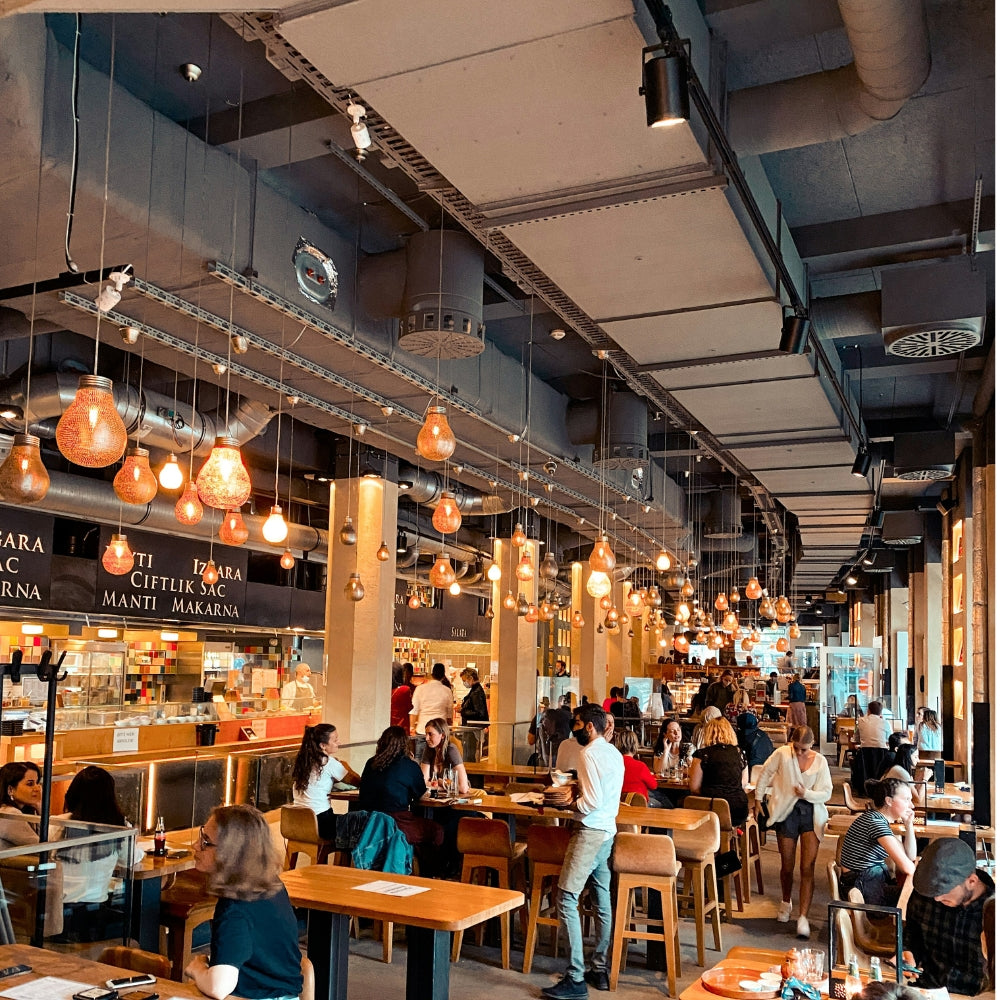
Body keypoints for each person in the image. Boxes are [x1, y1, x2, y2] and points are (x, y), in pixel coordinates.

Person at [542, 703, 624, 999]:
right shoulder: (614, 753)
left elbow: (591, 802)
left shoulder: (588, 754)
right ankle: (599, 968)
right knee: (601, 897)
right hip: (608, 831)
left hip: (589, 830)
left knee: (566, 896)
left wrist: (568, 803)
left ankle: (575, 976)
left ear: (589, 726)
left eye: (576, 724)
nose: (573, 729)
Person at [185, 804, 303, 1000]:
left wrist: (197, 969)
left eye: (206, 841)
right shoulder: (270, 885)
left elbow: (218, 987)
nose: (195, 845)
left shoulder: (235, 908)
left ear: (231, 853)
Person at [754, 725, 832, 940]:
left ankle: (803, 916)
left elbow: (826, 793)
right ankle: (786, 901)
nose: (798, 752)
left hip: (812, 813)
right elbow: (765, 772)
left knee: (807, 867)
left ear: (812, 745)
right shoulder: (782, 754)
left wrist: (806, 793)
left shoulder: (821, 761)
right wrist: (758, 798)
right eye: (795, 747)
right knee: (787, 865)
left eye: (803, 749)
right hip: (786, 813)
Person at [904, 838, 994, 996]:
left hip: (974, 995)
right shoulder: (926, 893)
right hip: (928, 989)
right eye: (934, 892)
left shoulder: (992, 913)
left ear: (972, 881)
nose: (937, 898)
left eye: (944, 890)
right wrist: (908, 953)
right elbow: (913, 933)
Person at [56, 765, 144, 904]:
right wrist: (136, 844)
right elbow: (129, 859)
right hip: (94, 904)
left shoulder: (57, 823)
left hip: (56, 905)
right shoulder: (118, 827)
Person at [358, 726, 444, 858]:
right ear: (405, 745)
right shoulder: (409, 766)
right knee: (436, 830)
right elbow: (420, 795)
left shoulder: (370, 763)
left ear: (382, 742)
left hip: (368, 824)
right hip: (396, 823)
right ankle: (424, 868)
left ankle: (402, 858)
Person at [838, 777, 917, 905]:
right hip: (862, 888)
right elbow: (908, 868)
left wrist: (909, 825)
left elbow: (910, 856)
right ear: (889, 801)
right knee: (916, 900)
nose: (911, 806)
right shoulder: (876, 824)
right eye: (906, 799)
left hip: (865, 883)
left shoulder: (876, 819)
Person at [291, 723, 361, 840]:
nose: (339, 742)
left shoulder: (303, 762)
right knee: (362, 823)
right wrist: (344, 765)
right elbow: (357, 781)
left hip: (297, 821)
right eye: (335, 740)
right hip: (321, 823)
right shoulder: (329, 762)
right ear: (323, 745)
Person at [688, 717, 749, 827]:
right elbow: (743, 783)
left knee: (683, 802)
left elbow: (694, 787)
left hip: (712, 808)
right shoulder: (740, 753)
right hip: (738, 809)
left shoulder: (702, 754)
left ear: (708, 733)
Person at [420, 718, 470, 794]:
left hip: (457, 796)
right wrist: (443, 787)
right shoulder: (429, 749)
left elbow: (463, 788)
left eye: (430, 734)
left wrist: (440, 782)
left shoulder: (451, 750)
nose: (426, 738)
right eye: (426, 734)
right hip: (440, 795)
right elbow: (423, 782)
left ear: (442, 735)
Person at [0, 761, 41, 849]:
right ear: (10, 790)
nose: (37, 788)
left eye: (37, 783)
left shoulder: (26, 810)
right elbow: (42, 849)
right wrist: (42, 811)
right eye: (30, 784)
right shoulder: (10, 814)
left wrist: (39, 809)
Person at [409, 663, 454, 742]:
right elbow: (449, 713)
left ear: (432, 675)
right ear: (443, 676)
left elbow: (414, 710)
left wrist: (412, 727)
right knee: (439, 750)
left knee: (421, 750)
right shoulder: (447, 690)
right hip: (440, 730)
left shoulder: (420, 688)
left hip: (422, 729)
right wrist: (449, 727)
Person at [612, 729, 656, 804]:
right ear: (635, 745)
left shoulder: (612, 764)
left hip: (618, 804)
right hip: (639, 805)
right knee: (665, 803)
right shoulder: (640, 766)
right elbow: (653, 785)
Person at [390, 662, 415, 732]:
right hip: (402, 726)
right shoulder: (405, 690)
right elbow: (410, 707)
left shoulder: (385, 689)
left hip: (389, 724)